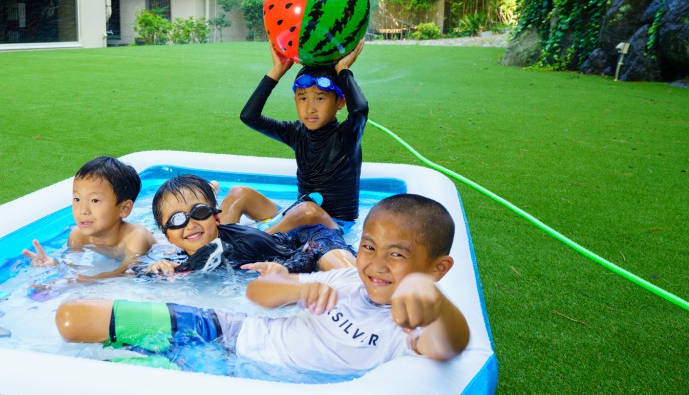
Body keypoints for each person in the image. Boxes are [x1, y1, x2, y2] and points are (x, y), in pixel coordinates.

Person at [55, 193, 470, 375]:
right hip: (228, 328)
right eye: (368, 247)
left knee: (114, 370)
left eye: (397, 254)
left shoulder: (412, 325)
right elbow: (257, 294)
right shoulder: (345, 276)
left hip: (236, 372)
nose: (376, 265)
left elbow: (449, 345)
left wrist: (431, 303)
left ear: (437, 269)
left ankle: (156, 362)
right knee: (73, 318)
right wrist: (295, 288)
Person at [240, 40, 368, 228]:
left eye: (320, 98)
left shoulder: (347, 136)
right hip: (297, 217)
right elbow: (249, 117)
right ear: (295, 100)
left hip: (334, 226)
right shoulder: (296, 132)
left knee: (307, 210)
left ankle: (249, 244)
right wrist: (278, 69)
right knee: (239, 193)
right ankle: (213, 243)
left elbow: (359, 110)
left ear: (340, 102)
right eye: (302, 98)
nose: (310, 108)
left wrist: (343, 69)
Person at [141, 174, 355, 276]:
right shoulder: (184, 256)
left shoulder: (245, 243)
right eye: (177, 219)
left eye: (199, 212)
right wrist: (152, 271)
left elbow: (304, 258)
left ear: (216, 218)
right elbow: (138, 275)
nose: (190, 223)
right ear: (167, 235)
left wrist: (286, 269)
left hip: (308, 241)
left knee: (348, 278)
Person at [23, 156, 155, 280]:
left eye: (95, 200)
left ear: (124, 208)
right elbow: (71, 268)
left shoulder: (136, 238)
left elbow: (124, 274)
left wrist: (83, 281)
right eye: (77, 199)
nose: (83, 210)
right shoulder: (78, 235)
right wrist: (54, 266)